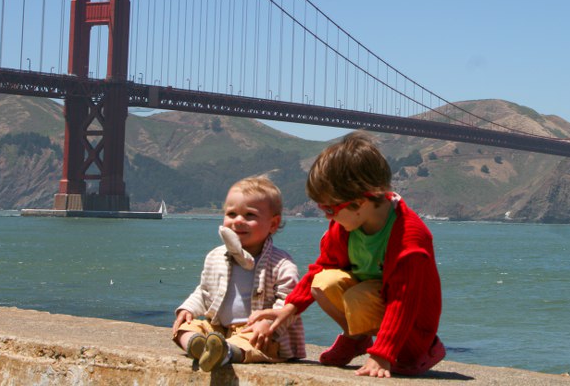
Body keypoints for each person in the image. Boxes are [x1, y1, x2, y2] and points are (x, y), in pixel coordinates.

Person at [247, 132, 445, 378]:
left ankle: (405, 350)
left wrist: (383, 354)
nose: (327, 216)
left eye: (330, 208)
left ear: (361, 202)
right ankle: (357, 339)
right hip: (375, 304)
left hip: (412, 327)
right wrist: (289, 309)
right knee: (324, 282)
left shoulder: (410, 237)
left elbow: (402, 303)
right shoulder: (345, 226)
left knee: (359, 297)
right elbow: (321, 268)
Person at [171, 175, 305, 372]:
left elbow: (289, 302)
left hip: (258, 333)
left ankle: (225, 352)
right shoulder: (215, 256)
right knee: (184, 329)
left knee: (252, 343)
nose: (238, 221)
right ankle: (198, 345)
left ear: (273, 224)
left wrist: (268, 324)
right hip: (219, 330)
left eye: (250, 215)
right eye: (231, 214)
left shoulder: (281, 263)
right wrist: (188, 309)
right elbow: (204, 291)